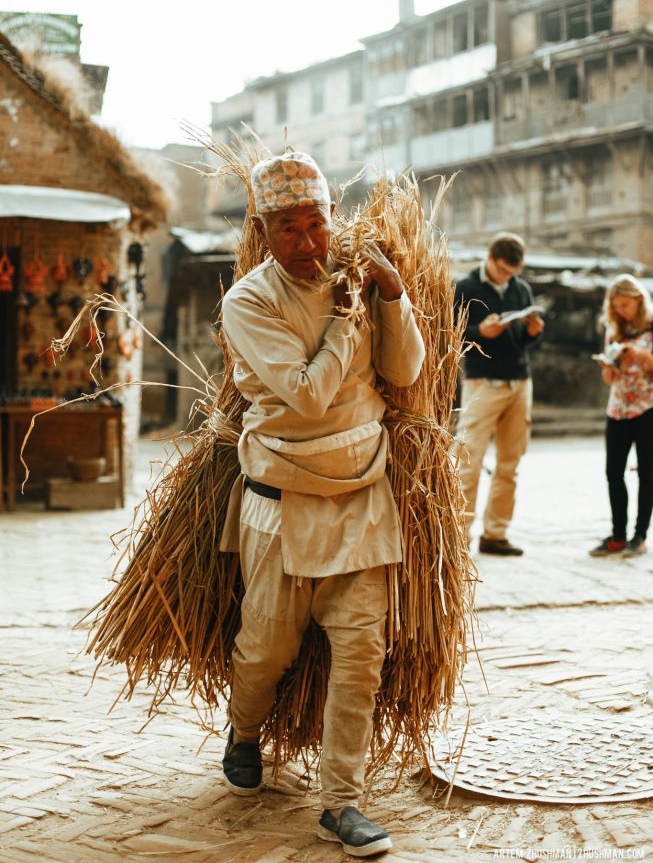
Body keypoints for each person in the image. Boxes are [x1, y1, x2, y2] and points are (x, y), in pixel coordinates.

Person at [217, 151, 425, 857]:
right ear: (261, 230)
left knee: (362, 654)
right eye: (288, 230)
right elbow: (304, 399)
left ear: (332, 215)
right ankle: (243, 730)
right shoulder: (248, 300)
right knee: (265, 651)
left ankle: (342, 802)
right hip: (280, 503)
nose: (307, 243)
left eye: (316, 223)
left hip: (365, 495)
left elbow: (403, 375)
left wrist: (391, 299)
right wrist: (344, 322)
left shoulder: (355, 281)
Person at [454, 232, 544, 556]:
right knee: (468, 460)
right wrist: (481, 332)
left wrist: (532, 334)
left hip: (520, 382)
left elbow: (523, 341)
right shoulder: (466, 287)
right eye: (503, 270)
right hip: (482, 383)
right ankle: (458, 536)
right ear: (490, 259)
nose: (508, 278)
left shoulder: (521, 289)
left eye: (512, 273)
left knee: (510, 463)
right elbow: (451, 334)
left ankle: (495, 534)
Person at [590, 274, 653, 557]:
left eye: (626, 305)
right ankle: (617, 534)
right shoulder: (613, 329)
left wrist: (643, 357)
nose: (621, 311)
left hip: (647, 407)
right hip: (617, 408)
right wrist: (609, 368)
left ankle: (639, 535)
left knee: (647, 474)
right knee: (613, 472)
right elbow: (607, 378)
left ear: (639, 301)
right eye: (616, 306)